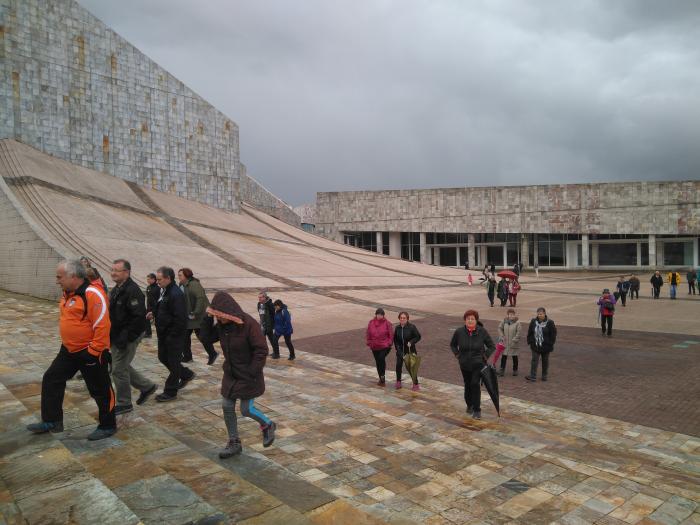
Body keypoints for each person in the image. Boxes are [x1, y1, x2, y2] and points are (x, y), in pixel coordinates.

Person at [26, 259, 116, 440]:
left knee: (100, 389)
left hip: (91, 352)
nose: (57, 280)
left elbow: (102, 326)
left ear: (73, 276)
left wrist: (93, 352)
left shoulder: (93, 294)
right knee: (52, 378)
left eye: (59, 277)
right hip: (68, 351)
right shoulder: (67, 293)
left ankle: (108, 425)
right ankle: (52, 421)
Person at [206, 292, 276, 458]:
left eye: (220, 316)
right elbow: (207, 338)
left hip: (249, 374)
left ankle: (268, 425)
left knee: (246, 409)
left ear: (229, 313)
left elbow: (261, 350)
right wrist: (207, 319)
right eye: (217, 316)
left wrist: (252, 371)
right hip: (231, 373)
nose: (219, 320)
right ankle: (234, 442)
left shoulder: (249, 324)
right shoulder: (223, 325)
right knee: (227, 405)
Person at [109, 259, 157, 414]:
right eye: (112, 270)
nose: (113, 273)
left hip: (128, 336)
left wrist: (125, 338)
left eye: (117, 270)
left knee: (118, 369)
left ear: (127, 272)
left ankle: (124, 403)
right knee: (121, 365)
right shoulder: (118, 288)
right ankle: (147, 386)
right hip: (117, 334)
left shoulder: (132, 290)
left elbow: (138, 318)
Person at [150, 266, 195, 402]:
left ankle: (170, 391)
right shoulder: (164, 291)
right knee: (162, 357)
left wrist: (172, 336)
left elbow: (180, 319)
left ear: (168, 278)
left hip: (173, 336)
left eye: (159, 279)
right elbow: (164, 309)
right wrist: (154, 313)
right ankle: (186, 374)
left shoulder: (176, 294)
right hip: (163, 333)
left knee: (173, 362)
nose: (157, 282)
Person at [450, 309, 495, 420]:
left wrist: (484, 357)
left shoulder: (482, 332)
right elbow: (453, 345)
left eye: (472, 319)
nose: (470, 321)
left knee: (475, 384)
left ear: (476, 320)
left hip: (478, 364)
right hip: (464, 364)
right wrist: (457, 355)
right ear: (465, 320)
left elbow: (491, 346)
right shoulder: (459, 332)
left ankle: (477, 409)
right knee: (467, 385)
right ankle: (469, 405)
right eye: (468, 319)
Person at [178, 268, 218, 365]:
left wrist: (195, 312)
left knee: (203, 337)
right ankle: (187, 356)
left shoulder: (195, 285)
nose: (178, 277)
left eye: (180, 275)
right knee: (185, 336)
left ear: (186, 276)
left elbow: (200, 299)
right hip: (190, 316)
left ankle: (212, 354)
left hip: (200, 316)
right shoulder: (182, 285)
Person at [525, 307, 557, 382]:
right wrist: (530, 342)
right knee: (534, 361)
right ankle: (533, 376)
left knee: (545, 361)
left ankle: (544, 375)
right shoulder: (533, 321)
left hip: (546, 346)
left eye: (541, 314)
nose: (539, 315)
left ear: (544, 314)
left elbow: (553, 334)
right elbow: (530, 332)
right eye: (538, 314)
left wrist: (550, 343)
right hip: (535, 345)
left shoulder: (550, 322)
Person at [392, 311, 422, 390]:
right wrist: (397, 348)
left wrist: (411, 342)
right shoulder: (397, 328)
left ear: (407, 319)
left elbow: (418, 336)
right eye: (401, 318)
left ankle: (415, 384)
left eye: (404, 318)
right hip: (400, 351)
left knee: (411, 367)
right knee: (398, 365)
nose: (402, 319)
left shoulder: (412, 327)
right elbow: (395, 339)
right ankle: (398, 381)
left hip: (410, 351)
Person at [366, 308, 394, 386]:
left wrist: (389, 343)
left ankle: (382, 375)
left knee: (381, 358)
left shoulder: (387, 323)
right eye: (378, 314)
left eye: (381, 315)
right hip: (374, 346)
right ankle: (381, 378)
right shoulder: (371, 323)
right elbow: (368, 333)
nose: (379, 316)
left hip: (384, 346)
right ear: (376, 314)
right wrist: (369, 342)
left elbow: (391, 334)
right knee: (378, 361)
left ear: (383, 315)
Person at [498, 309, 521, 376]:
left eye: (512, 315)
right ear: (507, 315)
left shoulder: (518, 323)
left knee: (514, 357)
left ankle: (515, 370)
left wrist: (514, 340)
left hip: (513, 343)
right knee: (504, 356)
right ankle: (502, 370)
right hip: (505, 343)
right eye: (510, 314)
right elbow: (499, 328)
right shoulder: (504, 321)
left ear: (514, 315)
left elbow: (519, 333)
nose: (511, 316)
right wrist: (502, 336)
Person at [257, 291, 279, 358]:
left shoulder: (270, 304)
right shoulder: (259, 304)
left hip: (269, 326)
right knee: (262, 340)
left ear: (265, 297)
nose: (259, 299)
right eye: (259, 297)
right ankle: (265, 352)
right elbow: (260, 313)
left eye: (260, 297)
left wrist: (271, 324)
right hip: (262, 325)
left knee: (272, 340)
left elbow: (273, 314)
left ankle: (276, 353)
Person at [144, 273, 159, 338]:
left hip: (156, 307)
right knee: (146, 319)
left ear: (154, 279)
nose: (148, 280)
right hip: (149, 306)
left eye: (149, 279)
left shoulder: (158, 288)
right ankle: (148, 333)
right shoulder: (148, 287)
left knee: (158, 321)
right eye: (147, 279)